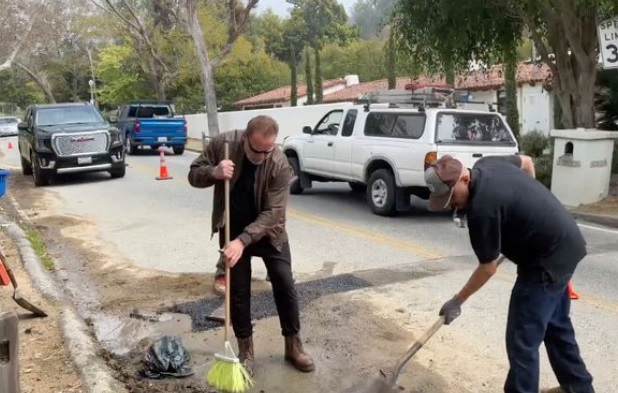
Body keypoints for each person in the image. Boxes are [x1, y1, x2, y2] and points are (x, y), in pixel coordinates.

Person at [424, 153, 595, 393]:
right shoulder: (487, 164)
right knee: (556, 327)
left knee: (521, 341)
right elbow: (526, 161)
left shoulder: (482, 209)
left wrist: (457, 301)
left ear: (464, 177)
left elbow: (487, 268)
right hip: (566, 243)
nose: (452, 204)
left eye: (452, 197)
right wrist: (532, 199)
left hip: (544, 263)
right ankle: (578, 387)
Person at [187, 115, 315, 376]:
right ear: (245, 138)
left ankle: (294, 346)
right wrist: (213, 172)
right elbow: (193, 174)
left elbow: (274, 212)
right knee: (238, 292)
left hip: (268, 232)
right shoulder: (223, 144)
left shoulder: (279, 163)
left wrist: (243, 240)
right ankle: (246, 351)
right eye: (256, 150)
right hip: (232, 227)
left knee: (284, 282)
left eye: (267, 150)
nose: (261, 156)